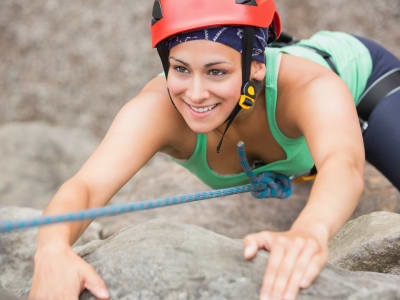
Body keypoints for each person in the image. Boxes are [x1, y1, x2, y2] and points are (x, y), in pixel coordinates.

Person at [29, 0, 400, 299]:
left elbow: (344, 165)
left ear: (257, 65)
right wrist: (52, 251)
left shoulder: (312, 88)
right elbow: (87, 186)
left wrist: (309, 232)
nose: (194, 93)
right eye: (180, 68)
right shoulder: (157, 109)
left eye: (216, 72)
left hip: (364, 85)